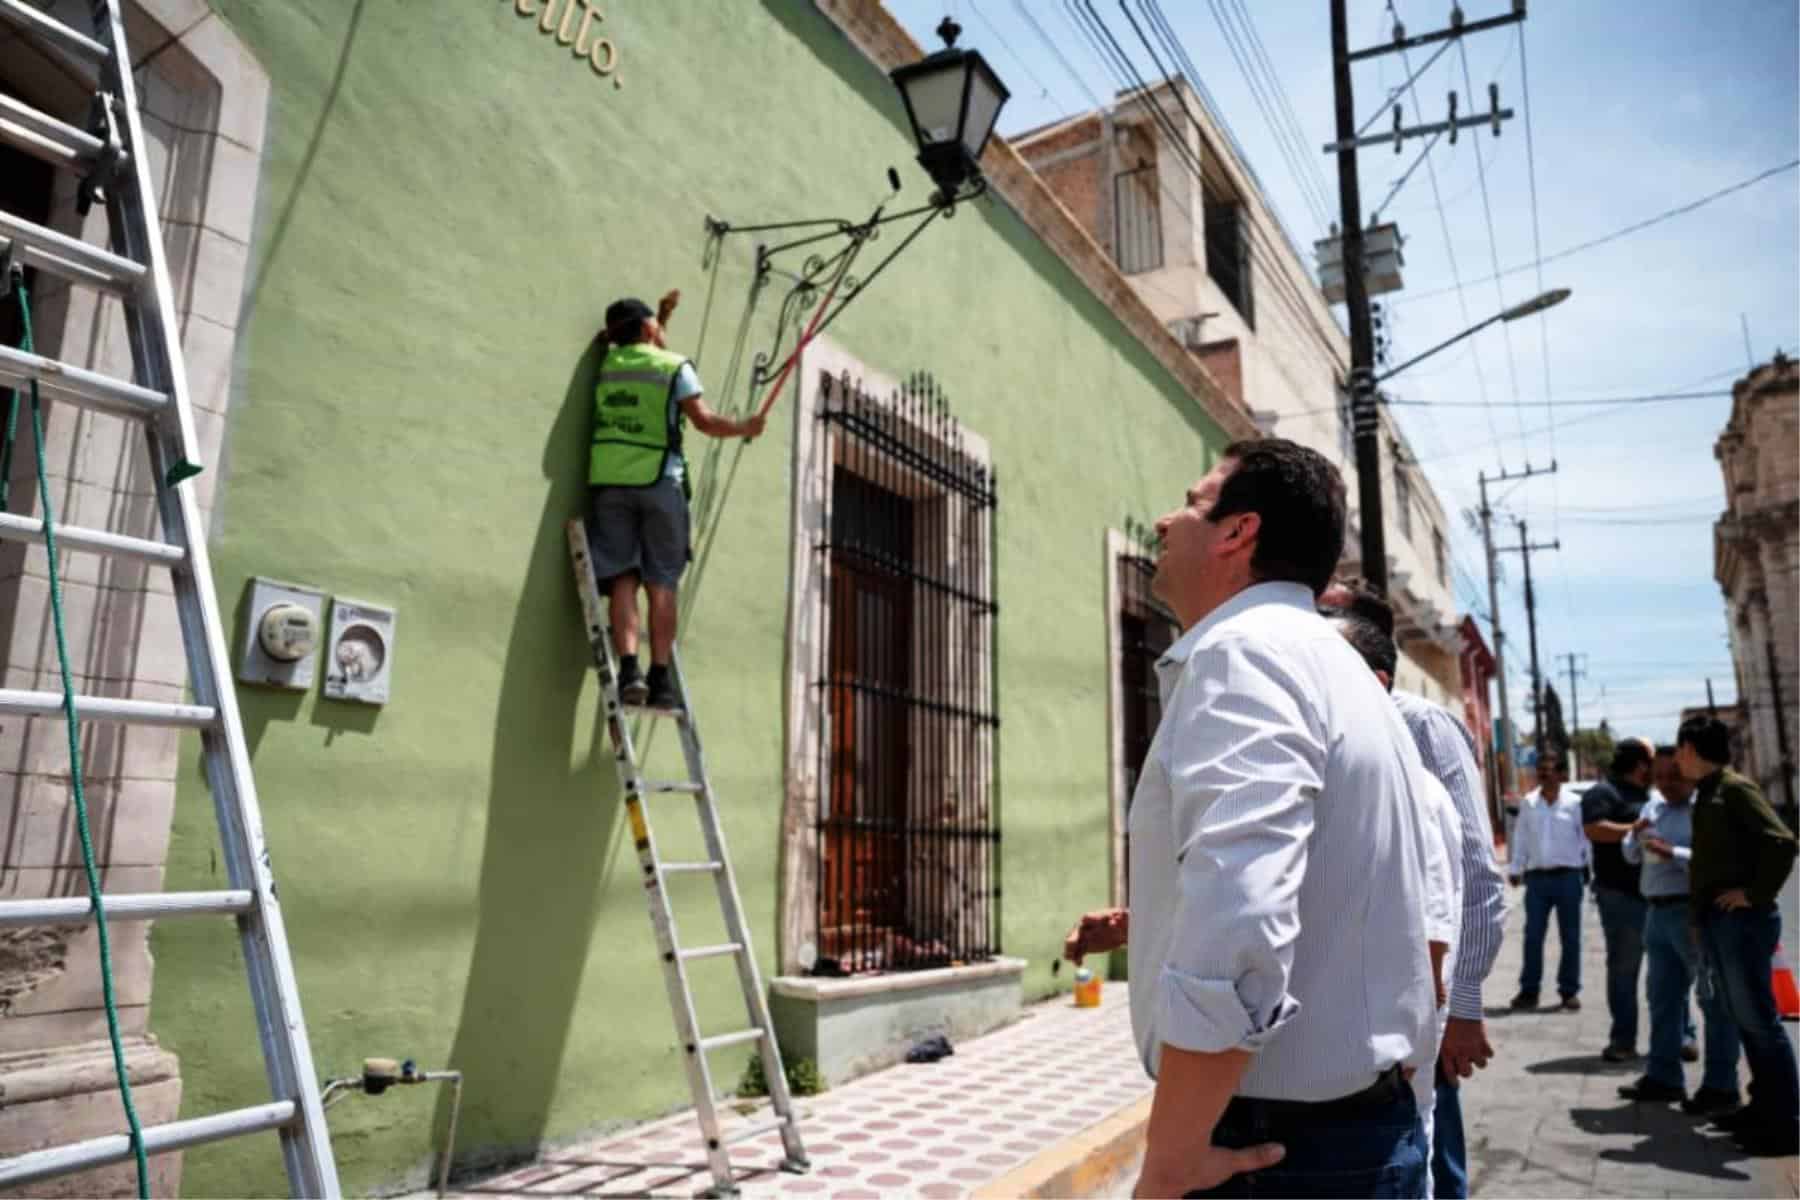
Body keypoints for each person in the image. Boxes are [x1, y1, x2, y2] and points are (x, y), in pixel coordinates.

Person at [1071, 438, 1436, 1198]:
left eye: (1193, 503)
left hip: (1281, 1154)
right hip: (1353, 1131)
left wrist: (1169, 1161)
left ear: (1239, 532)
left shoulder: (1246, 654)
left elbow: (1239, 914)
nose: (1166, 521)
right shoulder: (1332, 665)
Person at [1319, 581, 1507, 1200]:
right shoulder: (1324, 730)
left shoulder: (1421, 725)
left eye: (1324, 615)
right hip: (1354, 1016)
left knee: (1431, 1160)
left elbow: (1477, 876)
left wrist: (1464, 1008)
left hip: (1421, 1011)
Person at [588, 296, 764, 708]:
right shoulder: (674, 366)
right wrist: (745, 427)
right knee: (662, 580)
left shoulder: (608, 363)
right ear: (648, 329)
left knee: (623, 577)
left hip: (609, 481)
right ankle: (660, 678)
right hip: (659, 483)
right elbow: (704, 421)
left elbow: (636, 347)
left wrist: (659, 317)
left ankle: (629, 669)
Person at [1677, 715, 1799, 1155]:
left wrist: (1753, 893)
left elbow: (1782, 842)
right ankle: (1762, 1107)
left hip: (1743, 923)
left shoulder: (1734, 789)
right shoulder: (1708, 792)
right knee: (1743, 1018)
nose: (1678, 760)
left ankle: (1786, 1123)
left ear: (1691, 750)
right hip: (1718, 921)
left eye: (1680, 751)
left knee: (1760, 1021)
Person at [1614, 745, 1741, 1111]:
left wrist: (1674, 853)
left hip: (1692, 912)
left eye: (1674, 776)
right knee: (1662, 998)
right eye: (1659, 777)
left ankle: (1721, 1085)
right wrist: (1634, 835)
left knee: (1712, 1001)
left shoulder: (1705, 810)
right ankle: (1664, 1077)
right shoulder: (1652, 807)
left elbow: (1717, 861)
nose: (1667, 784)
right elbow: (1630, 855)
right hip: (1655, 912)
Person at [1580, 737, 1654, 1062]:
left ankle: (1681, 1037)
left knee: (1671, 972)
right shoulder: (1603, 792)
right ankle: (1623, 1040)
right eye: (1651, 762)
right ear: (1640, 764)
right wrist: (1635, 829)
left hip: (1660, 896)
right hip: (1621, 896)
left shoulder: (1653, 795)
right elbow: (1594, 829)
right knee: (1625, 969)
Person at [1507, 749, 1589, 1012]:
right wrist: (1516, 867)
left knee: (1571, 937)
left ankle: (1569, 991)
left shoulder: (1574, 803)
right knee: (1532, 936)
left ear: (1561, 774)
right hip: (1537, 879)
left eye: (1549, 769)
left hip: (1568, 877)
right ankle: (1529, 991)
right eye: (1540, 769)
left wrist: (1590, 870)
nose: (1543, 773)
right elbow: (1521, 837)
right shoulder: (1529, 803)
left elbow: (1585, 839)